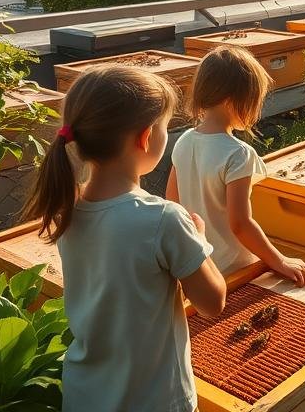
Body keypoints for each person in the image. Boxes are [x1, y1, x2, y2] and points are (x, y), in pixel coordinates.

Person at [24, 66, 226, 412]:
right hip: (155, 401)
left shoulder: (67, 210)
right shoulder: (163, 219)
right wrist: (199, 242)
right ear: (146, 137)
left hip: (85, 396)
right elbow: (212, 302)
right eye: (165, 127)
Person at [167, 45, 305, 283]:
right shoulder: (238, 154)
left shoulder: (184, 141)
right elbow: (240, 223)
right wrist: (279, 260)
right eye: (255, 100)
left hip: (198, 267)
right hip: (236, 268)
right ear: (230, 100)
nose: (256, 109)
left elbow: (173, 205)